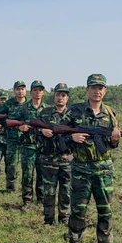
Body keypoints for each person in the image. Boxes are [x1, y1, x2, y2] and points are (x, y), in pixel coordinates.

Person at [65, 73, 121, 243]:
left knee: (105, 208)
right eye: (94, 87)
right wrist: (72, 137)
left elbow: (113, 144)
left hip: (104, 169)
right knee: (78, 209)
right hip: (80, 168)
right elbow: (59, 133)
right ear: (87, 89)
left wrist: (115, 140)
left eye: (100, 88)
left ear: (105, 90)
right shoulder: (75, 111)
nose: (97, 91)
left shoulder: (110, 113)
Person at [38, 83, 73, 225]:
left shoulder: (74, 115)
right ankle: (48, 220)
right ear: (54, 96)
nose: (60, 98)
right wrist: (41, 131)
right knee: (49, 192)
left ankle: (64, 218)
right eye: (58, 94)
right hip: (49, 159)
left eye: (63, 95)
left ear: (67, 98)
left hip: (67, 160)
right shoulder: (45, 113)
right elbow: (33, 129)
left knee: (66, 191)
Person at [11, 80, 47, 205]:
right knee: (27, 174)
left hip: (43, 147)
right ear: (30, 92)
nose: (38, 92)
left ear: (43, 92)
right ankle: (27, 200)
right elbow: (11, 121)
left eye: (40, 90)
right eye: (35, 90)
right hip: (28, 146)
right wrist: (19, 127)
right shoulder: (24, 108)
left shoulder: (48, 109)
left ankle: (41, 199)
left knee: (42, 174)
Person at [0, 81, 26, 191]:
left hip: (27, 140)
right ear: (14, 91)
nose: (20, 91)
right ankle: (10, 188)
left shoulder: (29, 104)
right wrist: (2, 123)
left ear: (25, 90)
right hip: (12, 139)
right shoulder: (8, 104)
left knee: (27, 165)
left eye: (22, 89)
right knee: (12, 164)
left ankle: (26, 188)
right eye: (18, 89)